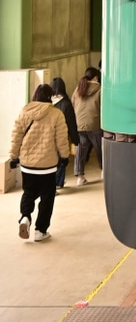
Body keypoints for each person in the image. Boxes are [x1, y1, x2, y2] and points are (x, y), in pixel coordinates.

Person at [8, 83, 69, 241]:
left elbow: (16, 136)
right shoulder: (56, 114)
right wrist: (64, 156)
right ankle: (40, 231)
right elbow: (61, 139)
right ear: (50, 97)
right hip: (47, 166)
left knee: (28, 193)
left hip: (27, 165)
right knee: (47, 198)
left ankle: (25, 217)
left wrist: (14, 156)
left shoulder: (24, 112)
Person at [72, 66, 102, 186]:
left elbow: (73, 102)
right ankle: (104, 172)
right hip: (94, 124)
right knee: (100, 149)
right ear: (95, 77)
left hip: (80, 125)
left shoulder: (78, 89)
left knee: (80, 151)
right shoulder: (99, 89)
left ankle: (80, 177)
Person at [51, 77, 79, 189]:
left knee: (51, 161)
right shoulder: (66, 103)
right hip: (62, 137)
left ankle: (57, 182)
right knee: (62, 159)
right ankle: (57, 182)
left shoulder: (47, 102)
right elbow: (71, 123)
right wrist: (75, 139)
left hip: (49, 137)